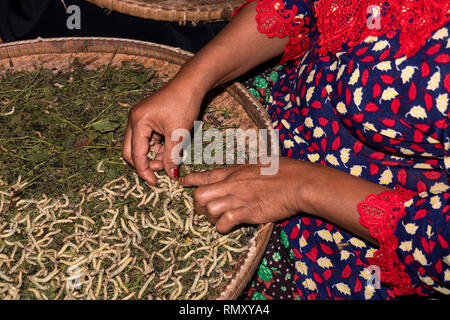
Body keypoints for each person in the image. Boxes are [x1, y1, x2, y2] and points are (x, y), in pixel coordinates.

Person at [122, 0, 450, 299]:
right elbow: (298, 7)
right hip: (285, 103)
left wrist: (298, 187)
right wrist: (192, 81)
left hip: (358, 224)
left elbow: (439, 247)